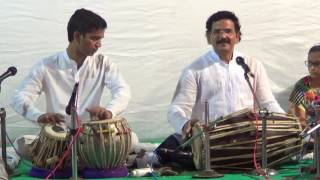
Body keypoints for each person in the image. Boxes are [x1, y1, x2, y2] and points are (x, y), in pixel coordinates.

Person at [155, 10, 284, 168]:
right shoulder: (194, 70)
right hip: (209, 143)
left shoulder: (252, 65)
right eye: (217, 32)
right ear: (208, 38)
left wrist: (287, 123)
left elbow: (267, 103)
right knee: (168, 153)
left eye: (228, 31)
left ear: (238, 37)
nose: (223, 36)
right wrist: (184, 124)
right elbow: (176, 109)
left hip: (248, 140)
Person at [10, 8, 131, 126]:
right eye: (94, 38)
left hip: (91, 136)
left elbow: (122, 90)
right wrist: (37, 115)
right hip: (59, 137)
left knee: (133, 141)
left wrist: (110, 111)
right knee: (19, 143)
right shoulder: (47, 66)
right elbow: (19, 97)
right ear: (78, 36)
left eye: (100, 39)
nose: (99, 44)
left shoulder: (103, 63)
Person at [288, 44, 320, 129]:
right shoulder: (302, 86)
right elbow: (299, 119)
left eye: (317, 64)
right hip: (308, 135)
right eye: (309, 63)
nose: (312, 68)